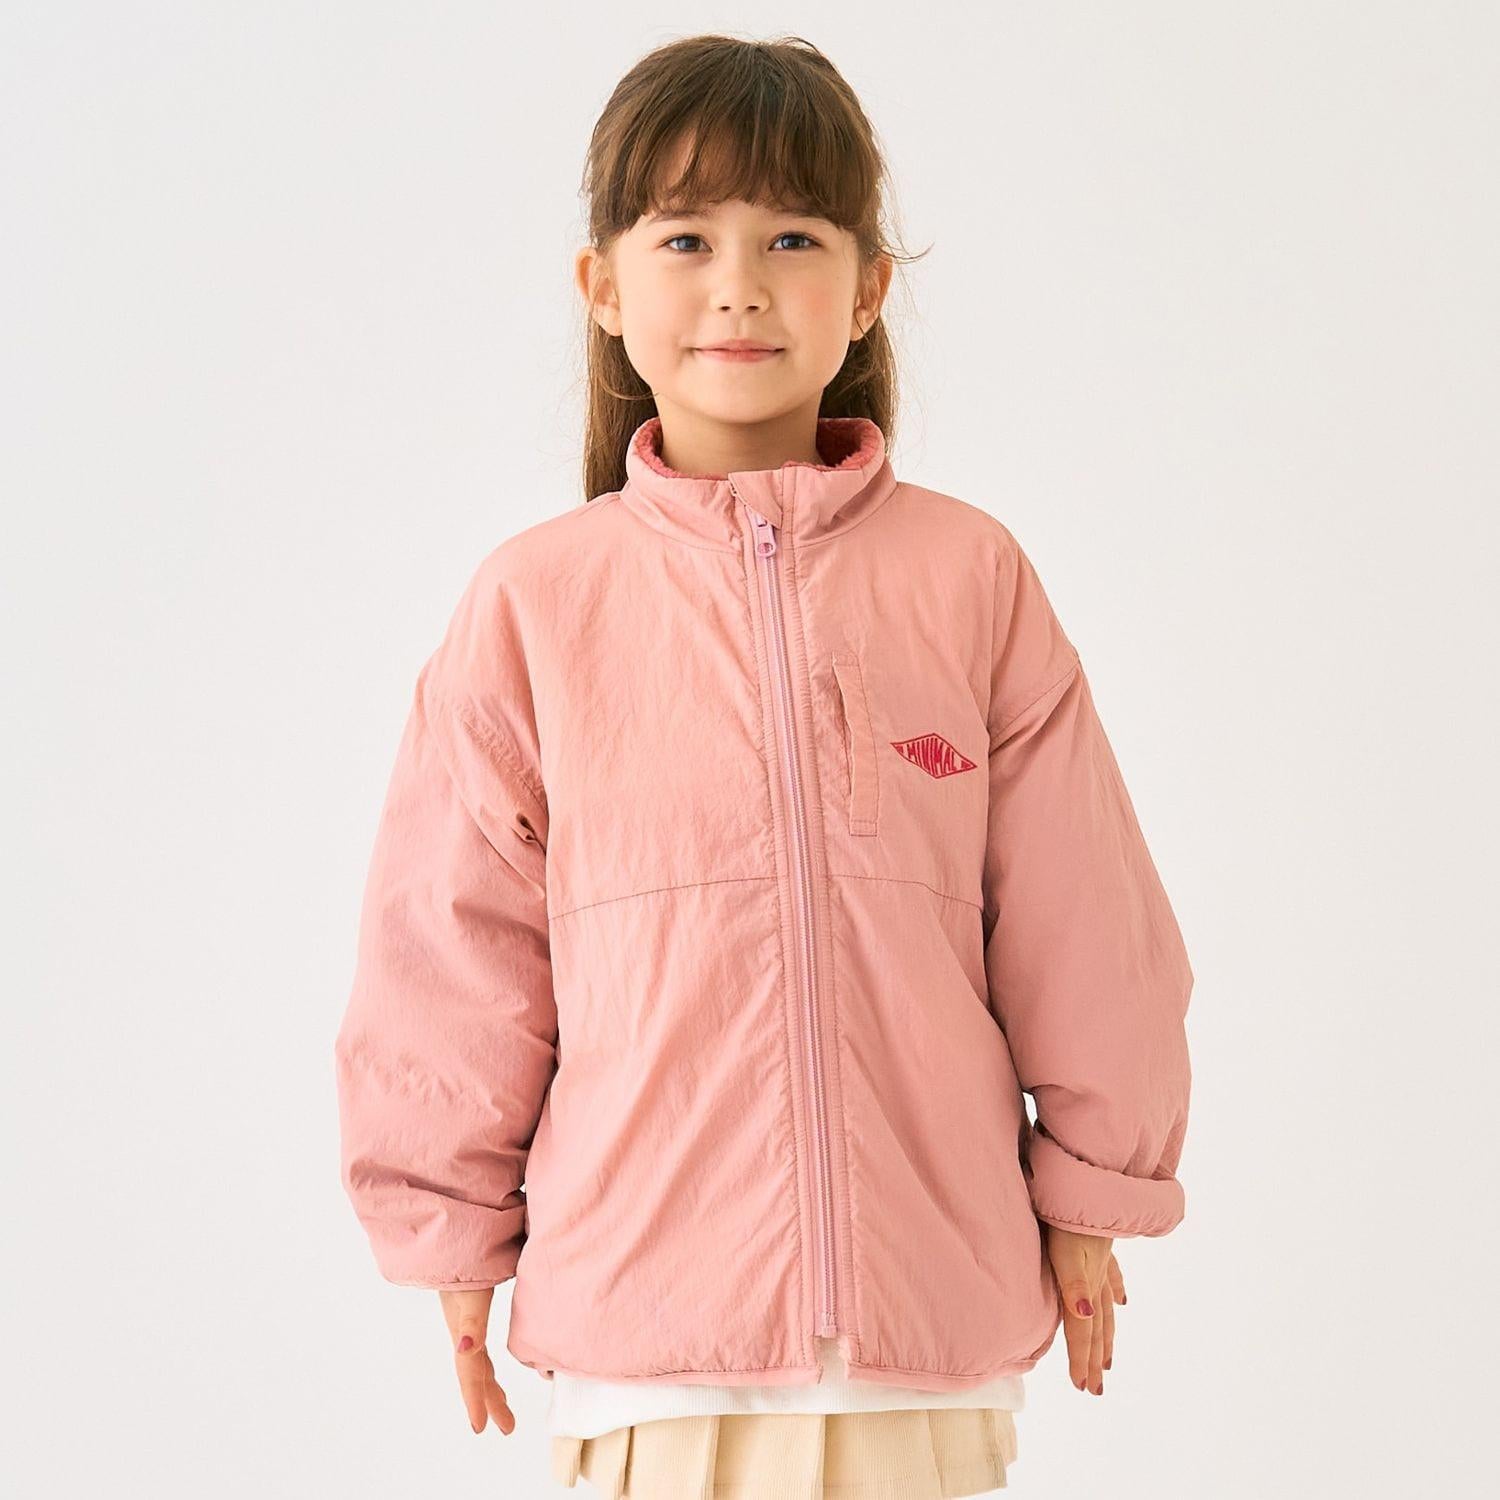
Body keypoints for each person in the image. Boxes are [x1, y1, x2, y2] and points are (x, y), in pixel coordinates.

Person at [333, 31, 1194, 1500]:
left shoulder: (968, 579)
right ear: (605, 286)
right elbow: (453, 949)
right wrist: (449, 1232)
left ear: (866, 289)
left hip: (927, 1327)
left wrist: (1095, 1189)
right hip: (650, 1336)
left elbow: (1084, 916)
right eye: (687, 238)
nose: (738, 283)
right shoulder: (538, 605)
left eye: (792, 237)